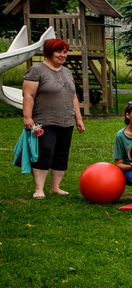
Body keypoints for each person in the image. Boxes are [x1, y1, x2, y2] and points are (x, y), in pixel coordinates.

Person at [21, 37, 85, 198]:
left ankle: (56, 187)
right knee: (45, 152)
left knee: (62, 153)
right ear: (49, 52)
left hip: (66, 121)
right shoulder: (37, 70)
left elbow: (73, 97)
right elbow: (28, 95)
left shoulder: (67, 72)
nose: (63, 55)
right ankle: (39, 189)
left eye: (65, 52)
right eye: (58, 51)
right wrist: (27, 117)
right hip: (44, 120)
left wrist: (78, 119)